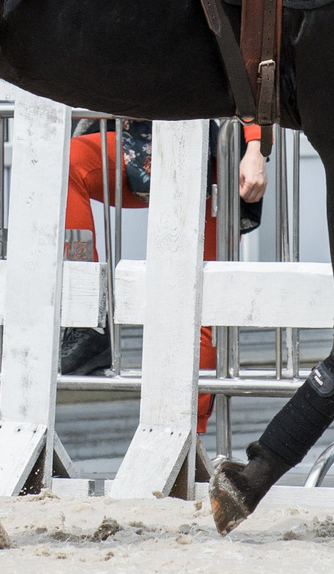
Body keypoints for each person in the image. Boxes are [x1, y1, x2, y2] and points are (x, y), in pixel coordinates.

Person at [58, 119, 264, 437]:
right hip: (136, 136)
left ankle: (188, 437)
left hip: (209, 149)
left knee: (199, 306)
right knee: (66, 163)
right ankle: (83, 319)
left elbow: (255, 74)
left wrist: (255, 148)